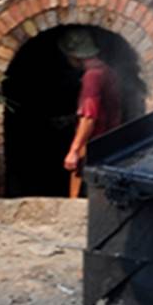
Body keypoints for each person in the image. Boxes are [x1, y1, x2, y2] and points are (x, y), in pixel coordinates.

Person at [59, 27, 124, 196]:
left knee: (82, 201)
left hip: (93, 147)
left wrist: (73, 151)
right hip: (109, 143)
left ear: (74, 56)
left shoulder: (92, 77)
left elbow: (89, 117)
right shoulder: (107, 71)